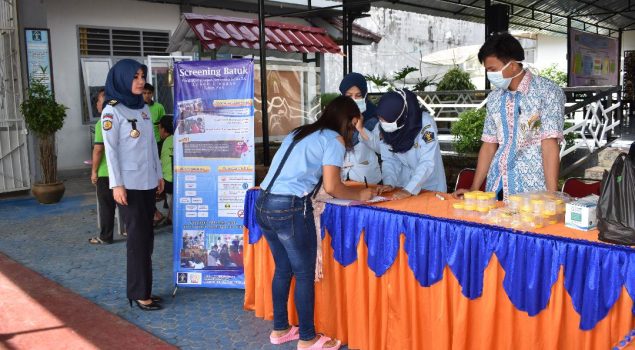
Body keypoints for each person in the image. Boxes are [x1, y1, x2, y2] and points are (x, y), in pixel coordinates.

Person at [256, 96, 380, 349]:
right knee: (303, 274)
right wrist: (361, 195)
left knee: (283, 268)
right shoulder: (333, 139)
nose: (357, 130)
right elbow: (334, 187)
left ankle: (280, 329)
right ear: (352, 120)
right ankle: (308, 338)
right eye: (357, 125)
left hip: (264, 203)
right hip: (290, 208)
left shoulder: (300, 132)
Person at [452, 33, 565, 200]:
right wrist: (475, 189)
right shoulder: (494, 98)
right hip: (497, 186)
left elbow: (549, 144)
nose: (490, 75)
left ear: (512, 65)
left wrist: (551, 196)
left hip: (532, 191)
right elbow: (489, 145)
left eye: (493, 70)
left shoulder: (547, 92)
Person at [101, 59, 164, 311]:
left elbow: (151, 147)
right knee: (137, 240)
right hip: (128, 185)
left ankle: (143, 288)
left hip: (147, 182)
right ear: (122, 79)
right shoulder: (112, 110)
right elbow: (111, 150)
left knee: (146, 238)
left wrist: (158, 175)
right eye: (135, 77)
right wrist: (116, 185)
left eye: (142, 76)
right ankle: (139, 293)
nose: (140, 82)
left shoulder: (143, 108)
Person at [366, 89, 447, 199]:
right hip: (402, 186)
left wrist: (409, 189)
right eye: (380, 119)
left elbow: (427, 162)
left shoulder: (425, 125)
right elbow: (389, 159)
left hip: (429, 186)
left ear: (400, 116)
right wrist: (389, 182)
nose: (383, 124)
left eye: (387, 120)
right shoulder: (383, 128)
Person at [89, 88, 126, 244]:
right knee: (125, 203)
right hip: (124, 170)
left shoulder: (102, 122)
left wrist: (94, 171)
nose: (98, 105)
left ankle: (106, 236)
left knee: (106, 206)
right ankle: (132, 231)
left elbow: (98, 149)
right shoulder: (123, 118)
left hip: (106, 172)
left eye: (98, 101)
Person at [338, 72, 381, 184]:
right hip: (340, 180)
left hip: (366, 180)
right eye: (349, 96)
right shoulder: (335, 116)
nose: (353, 99)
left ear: (365, 95)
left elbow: (381, 149)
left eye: (358, 95)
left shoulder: (374, 117)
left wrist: (361, 129)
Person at [158, 115, 174, 226]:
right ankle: (170, 216)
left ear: (163, 129)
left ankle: (169, 217)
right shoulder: (178, 138)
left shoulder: (163, 143)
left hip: (168, 181)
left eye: (159, 128)